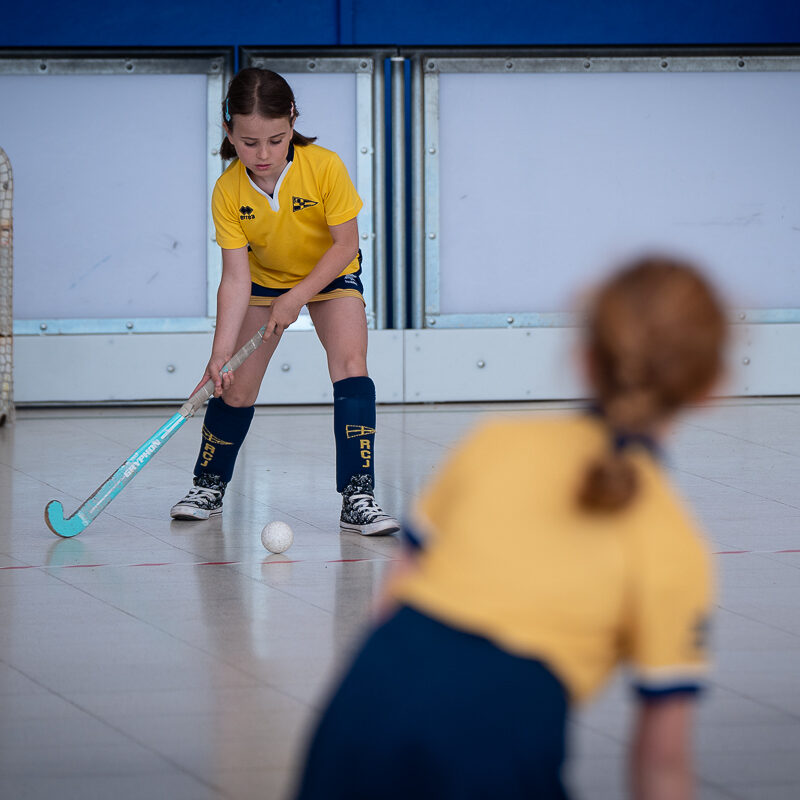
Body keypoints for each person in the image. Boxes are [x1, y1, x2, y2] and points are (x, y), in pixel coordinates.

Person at [293, 257, 728, 799]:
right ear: (711, 386)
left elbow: (391, 604)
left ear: (585, 357)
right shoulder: (674, 545)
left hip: (359, 713)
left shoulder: (495, 444)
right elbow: (662, 765)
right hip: (496, 744)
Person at [170, 68, 398, 536]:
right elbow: (236, 278)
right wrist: (219, 354)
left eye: (276, 140)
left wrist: (297, 297)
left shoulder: (325, 167)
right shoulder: (227, 191)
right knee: (234, 387)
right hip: (263, 282)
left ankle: (358, 495)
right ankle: (208, 485)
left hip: (330, 275)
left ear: (293, 120)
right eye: (249, 142)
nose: (263, 155)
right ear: (228, 130)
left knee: (352, 366)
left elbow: (345, 245)